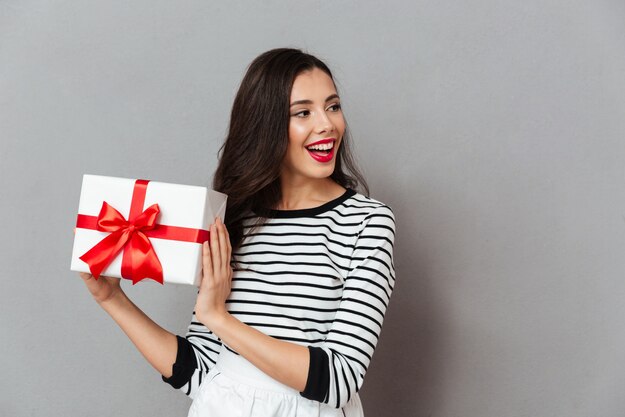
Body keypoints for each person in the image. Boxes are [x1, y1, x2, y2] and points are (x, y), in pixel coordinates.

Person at [79, 48, 396, 417]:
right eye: (303, 112)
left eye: (333, 106)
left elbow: (338, 380)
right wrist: (111, 300)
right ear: (266, 126)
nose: (326, 124)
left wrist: (219, 318)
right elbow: (199, 373)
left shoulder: (367, 223)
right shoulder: (232, 221)